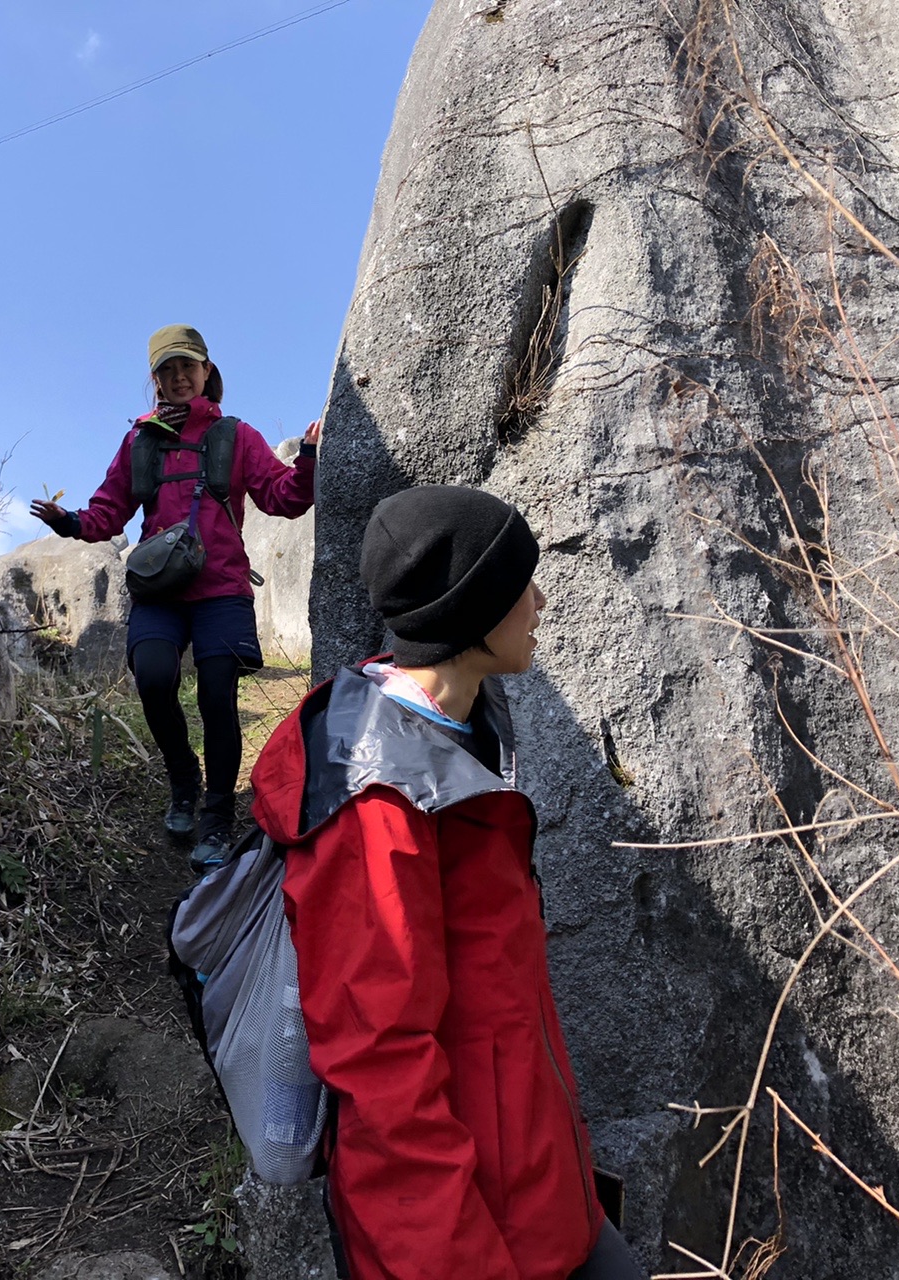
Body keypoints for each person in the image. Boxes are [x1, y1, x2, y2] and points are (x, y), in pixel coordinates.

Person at [248, 485, 647, 1280]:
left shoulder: (463, 731)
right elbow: (384, 1072)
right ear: (468, 617)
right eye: (518, 585)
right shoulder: (377, 805)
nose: (540, 600)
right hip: (460, 1235)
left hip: (541, 1197)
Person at [30, 324, 318, 864]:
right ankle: (184, 776)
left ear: (208, 372)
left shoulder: (236, 435)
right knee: (155, 675)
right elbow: (108, 511)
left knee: (216, 696)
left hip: (221, 590)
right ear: (155, 381)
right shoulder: (141, 440)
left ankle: (215, 817)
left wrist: (307, 458)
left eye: (188, 366)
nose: (178, 376)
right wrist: (70, 523)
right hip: (160, 590)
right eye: (166, 369)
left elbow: (282, 498)